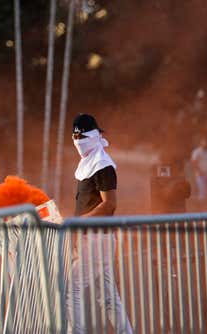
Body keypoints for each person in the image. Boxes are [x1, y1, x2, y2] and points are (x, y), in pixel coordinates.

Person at [67, 113, 133, 334]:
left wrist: (78, 222)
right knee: (108, 297)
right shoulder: (87, 163)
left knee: (71, 288)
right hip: (94, 239)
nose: (77, 139)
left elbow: (110, 205)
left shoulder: (103, 165)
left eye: (82, 135)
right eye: (74, 135)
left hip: (97, 239)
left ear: (94, 135)